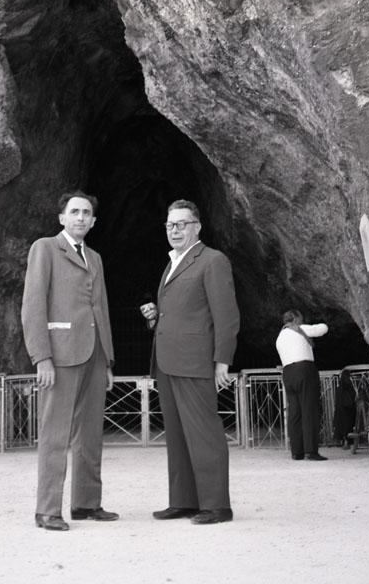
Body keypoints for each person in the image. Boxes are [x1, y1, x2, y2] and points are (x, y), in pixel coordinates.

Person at [21, 191, 118, 531]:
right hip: (60, 355)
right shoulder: (45, 248)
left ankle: (86, 503)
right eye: (74, 211)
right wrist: (42, 357)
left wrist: (107, 360)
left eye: (86, 213)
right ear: (62, 217)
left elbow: (100, 309)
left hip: (94, 355)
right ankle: (47, 510)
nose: (80, 217)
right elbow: (33, 304)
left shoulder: (95, 258)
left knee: (90, 434)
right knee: (55, 435)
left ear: (94, 221)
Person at [140, 199, 240, 525]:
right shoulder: (171, 263)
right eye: (170, 225)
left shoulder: (212, 260)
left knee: (204, 434)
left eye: (182, 224)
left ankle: (217, 506)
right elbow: (180, 313)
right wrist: (155, 318)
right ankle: (184, 501)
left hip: (195, 362)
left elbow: (226, 315)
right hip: (167, 362)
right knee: (177, 436)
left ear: (197, 227)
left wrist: (222, 360)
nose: (175, 230)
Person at [275, 309, 328, 461]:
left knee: (295, 412)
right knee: (309, 409)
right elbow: (322, 329)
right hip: (304, 369)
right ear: (296, 320)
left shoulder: (279, 337)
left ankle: (296, 452)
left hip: (288, 372)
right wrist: (306, 327)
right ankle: (310, 451)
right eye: (301, 319)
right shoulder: (300, 329)